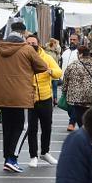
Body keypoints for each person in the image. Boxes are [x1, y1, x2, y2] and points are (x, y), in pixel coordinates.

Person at [0, 26, 48, 173]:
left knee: (8, 127)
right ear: (22, 37)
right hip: (21, 95)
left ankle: (8, 158)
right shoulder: (27, 49)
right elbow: (42, 66)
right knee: (23, 126)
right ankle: (12, 158)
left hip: (2, 95)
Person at [25, 35, 63, 168]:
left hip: (46, 97)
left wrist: (50, 71)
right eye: (28, 43)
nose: (31, 45)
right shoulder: (23, 58)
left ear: (39, 44)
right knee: (32, 128)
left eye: (33, 43)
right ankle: (33, 156)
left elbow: (59, 72)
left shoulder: (46, 57)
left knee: (47, 127)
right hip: (30, 97)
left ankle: (45, 152)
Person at [63, 41, 92, 133]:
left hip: (78, 98)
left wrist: (64, 91)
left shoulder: (73, 65)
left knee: (80, 117)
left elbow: (66, 79)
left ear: (80, 54)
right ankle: (90, 131)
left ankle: (84, 130)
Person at [61, 33, 82, 131]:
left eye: (74, 40)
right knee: (68, 103)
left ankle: (72, 123)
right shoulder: (65, 52)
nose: (72, 41)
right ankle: (74, 120)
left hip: (76, 81)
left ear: (78, 40)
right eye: (71, 39)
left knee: (74, 103)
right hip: (65, 80)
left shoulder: (79, 53)